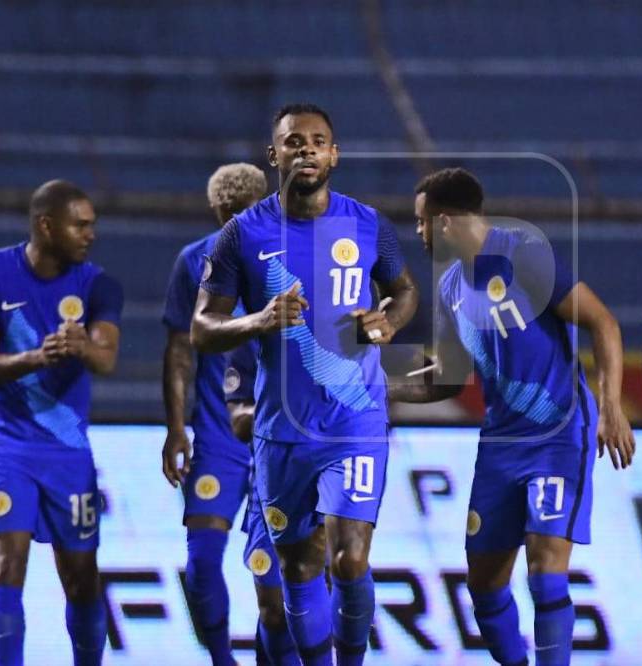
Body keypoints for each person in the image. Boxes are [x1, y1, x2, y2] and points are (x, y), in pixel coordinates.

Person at [191, 103, 419, 666]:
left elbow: (406, 290)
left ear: (335, 154)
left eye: (318, 141)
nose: (307, 150)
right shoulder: (240, 235)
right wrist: (259, 321)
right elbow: (202, 328)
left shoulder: (368, 225)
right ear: (274, 155)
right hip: (282, 431)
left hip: (354, 420)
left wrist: (388, 320)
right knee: (298, 567)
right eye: (294, 142)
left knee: (350, 560)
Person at [390, 167, 635, 665]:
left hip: (558, 434)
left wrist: (611, 407)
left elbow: (602, 322)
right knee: (484, 587)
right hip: (500, 445)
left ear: (446, 221)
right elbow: (448, 379)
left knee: (546, 573)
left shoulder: (522, 254)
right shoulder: (451, 287)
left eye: (421, 222)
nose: (417, 234)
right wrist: (380, 387)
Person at [0, 179, 123, 666]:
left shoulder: (98, 284)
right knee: (6, 563)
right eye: (80, 224)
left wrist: (82, 348)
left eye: (92, 224)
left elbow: (107, 358)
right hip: (5, 450)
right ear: (46, 226)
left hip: (67, 454)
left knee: (80, 576)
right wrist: (37, 356)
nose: (90, 234)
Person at [162, 163, 298, 665]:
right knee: (201, 566)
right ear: (216, 214)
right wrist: (176, 428)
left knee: (274, 578)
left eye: (244, 214)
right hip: (218, 437)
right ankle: (221, 659)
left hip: (279, 439)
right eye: (227, 217)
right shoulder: (194, 261)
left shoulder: (293, 259)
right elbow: (180, 349)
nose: (234, 226)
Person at [225, 340, 301, 666]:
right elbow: (239, 421)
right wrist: (279, 409)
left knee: (317, 595)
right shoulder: (255, 336)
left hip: (331, 477)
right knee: (272, 605)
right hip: (272, 483)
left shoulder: (343, 326)